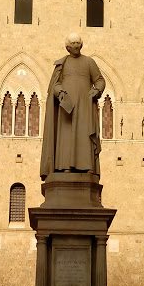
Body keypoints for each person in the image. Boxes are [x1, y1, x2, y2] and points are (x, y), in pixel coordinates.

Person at [40, 33, 105, 180]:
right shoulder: (62, 64)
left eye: (78, 42)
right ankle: (65, 167)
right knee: (66, 138)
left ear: (81, 45)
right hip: (66, 110)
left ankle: (87, 167)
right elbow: (54, 85)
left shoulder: (89, 62)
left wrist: (97, 90)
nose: (76, 45)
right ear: (67, 47)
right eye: (73, 43)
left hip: (84, 107)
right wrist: (60, 92)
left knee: (85, 135)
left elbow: (99, 80)